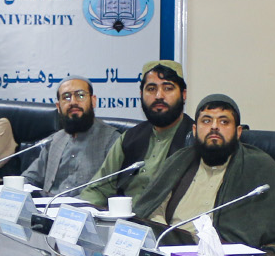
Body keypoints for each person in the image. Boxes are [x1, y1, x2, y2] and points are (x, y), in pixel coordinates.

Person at [132, 94, 275, 256]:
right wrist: (165, 244)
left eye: (224, 122)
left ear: (238, 132)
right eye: (206, 121)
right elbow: (151, 210)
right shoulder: (178, 161)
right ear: (194, 130)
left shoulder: (261, 167)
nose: (214, 127)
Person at [80, 60, 193, 209]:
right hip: (125, 221)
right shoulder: (129, 138)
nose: (159, 96)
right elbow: (97, 189)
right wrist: (81, 213)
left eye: (168, 88)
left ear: (183, 94)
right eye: (151, 89)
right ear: (141, 95)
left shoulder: (195, 140)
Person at [21, 77, 119, 196]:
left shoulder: (111, 140)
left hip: (85, 206)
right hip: (47, 205)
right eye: (66, 97)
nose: (73, 102)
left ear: (93, 101)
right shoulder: (55, 139)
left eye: (80, 95)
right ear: (58, 107)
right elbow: (30, 177)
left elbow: (108, 191)